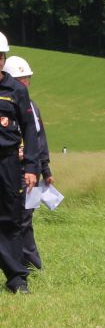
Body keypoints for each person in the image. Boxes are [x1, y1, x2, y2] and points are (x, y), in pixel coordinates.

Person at [0, 31, 40, 294]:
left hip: (8, 163)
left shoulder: (15, 90)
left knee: (11, 219)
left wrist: (31, 168)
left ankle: (16, 278)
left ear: (2, 59)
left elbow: (29, 130)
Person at [3, 55, 48, 270]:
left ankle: (31, 263)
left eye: (27, 79)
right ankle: (21, 263)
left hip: (33, 172)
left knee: (27, 218)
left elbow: (40, 140)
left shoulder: (34, 108)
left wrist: (45, 168)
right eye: (20, 79)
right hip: (13, 169)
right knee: (17, 218)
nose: (25, 83)